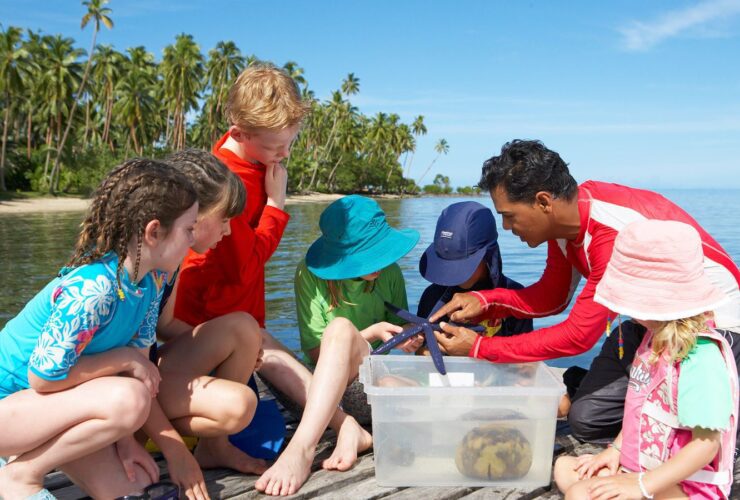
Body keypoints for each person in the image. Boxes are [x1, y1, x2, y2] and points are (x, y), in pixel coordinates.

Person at [430, 140, 740, 443]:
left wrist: (479, 349)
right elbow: (553, 298)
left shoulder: (613, 235)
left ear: (543, 202)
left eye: (509, 215)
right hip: (653, 325)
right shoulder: (566, 221)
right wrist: (486, 301)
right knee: (585, 420)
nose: (508, 227)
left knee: (687, 426)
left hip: (713, 333)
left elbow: (579, 336)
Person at [170, 65, 372, 495]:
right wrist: (278, 204)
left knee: (274, 352)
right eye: (275, 145)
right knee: (272, 357)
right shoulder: (230, 179)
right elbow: (249, 260)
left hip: (233, 310)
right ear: (238, 133)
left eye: (290, 142)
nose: (284, 154)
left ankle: (346, 425)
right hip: (210, 315)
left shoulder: (248, 156)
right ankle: (344, 424)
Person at [0, 160, 198, 499]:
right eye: (189, 229)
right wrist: (123, 358)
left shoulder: (149, 284)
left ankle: (17, 464)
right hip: (12, 404)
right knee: (131, 397)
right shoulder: (94, 289)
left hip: (50, 408)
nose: (193, 240)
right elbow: (43, 379)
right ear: (153, 231)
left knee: (134, 486)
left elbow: (132, 371)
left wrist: (123, 441)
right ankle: (21, 474)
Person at [554, 219, 738, 499]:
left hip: (686, 485)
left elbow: (706, 447)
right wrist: (615, 451)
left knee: (580, 494)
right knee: (566, 467)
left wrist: (640, 486)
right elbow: (640, 409)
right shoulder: (651, 339)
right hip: (642, 469)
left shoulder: (700, 358)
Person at [257, 195, 421, 496]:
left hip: (364, 388)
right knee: (260, 342)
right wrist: (369, 331)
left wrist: (409, 335)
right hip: (315, 392)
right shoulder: (308, 274)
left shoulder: (391, 272)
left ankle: (303, 446)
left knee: (396, 381)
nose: (380, 263)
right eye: (371, 255)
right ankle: (344, 426)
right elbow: (318, 353)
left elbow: (397, 324)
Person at [154, 149, 266, 487]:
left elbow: (165, 325)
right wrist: (175, 451)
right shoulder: (138, 266)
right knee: (239, 406)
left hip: (144, 369)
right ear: (193, 214)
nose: (229, 232)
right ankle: (136, 435)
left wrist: (226, 351)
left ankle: (215, 447)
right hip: (123, 383)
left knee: (245, 329)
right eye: (224, 219)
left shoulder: (171, 263)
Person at [417, 200, 532, 336]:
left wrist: (475, 349)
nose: (453, 275)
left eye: (461, 265)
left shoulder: (515, 297)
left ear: (488, 255)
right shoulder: (431, 295)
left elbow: (525, 352)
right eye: (447, 264)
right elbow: (421, 348)